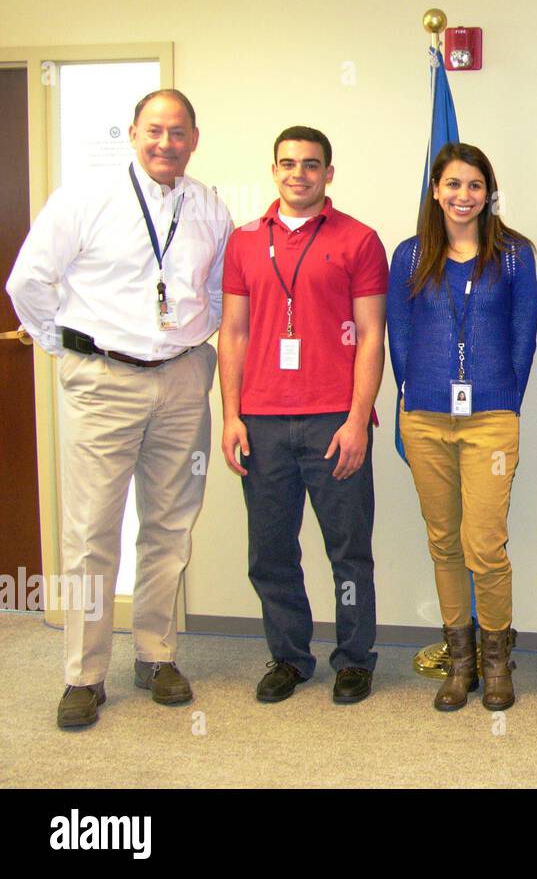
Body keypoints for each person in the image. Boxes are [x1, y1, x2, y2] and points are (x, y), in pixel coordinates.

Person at [6, 89, 232, 728]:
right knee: (90, 535)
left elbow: (216, 293)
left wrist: (185, 336)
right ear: (133, 133)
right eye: (154, 130)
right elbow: (28, 281)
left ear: (195, 137)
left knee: (170, 525)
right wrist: (66, 347)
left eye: (179, 132)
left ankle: (156, 654)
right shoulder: (85, 198)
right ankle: (83, 672)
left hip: (184, 382)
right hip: (103, 382)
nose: (166, 143)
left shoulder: (209, 206)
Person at [218, 126, 387, 704]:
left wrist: (357, 418)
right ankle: (290, 657)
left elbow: (371, 336)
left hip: (332, 421)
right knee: (270, 551)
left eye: (311, 165)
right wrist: (230, 417)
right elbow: (233, 334)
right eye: (288, 164)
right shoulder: (243, 241)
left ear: (328, 174)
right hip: (261, 423)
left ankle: (354, 658)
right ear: (274, 171)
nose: (299, 174)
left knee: (348, 549)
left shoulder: (359, 239)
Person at [388, 142, 537, 712]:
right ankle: (461, 661)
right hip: (425, 417)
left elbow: (524, 337)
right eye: (452, 184)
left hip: (491, 419)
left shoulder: (516, 256)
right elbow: (398, 337)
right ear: (435, 190)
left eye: (474, 185)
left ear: (487, 193)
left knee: (485, 542)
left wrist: (502, 399)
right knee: (444, 541)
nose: (463, 195)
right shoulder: (408, 255)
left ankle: (497, 659)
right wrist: (417, 393)